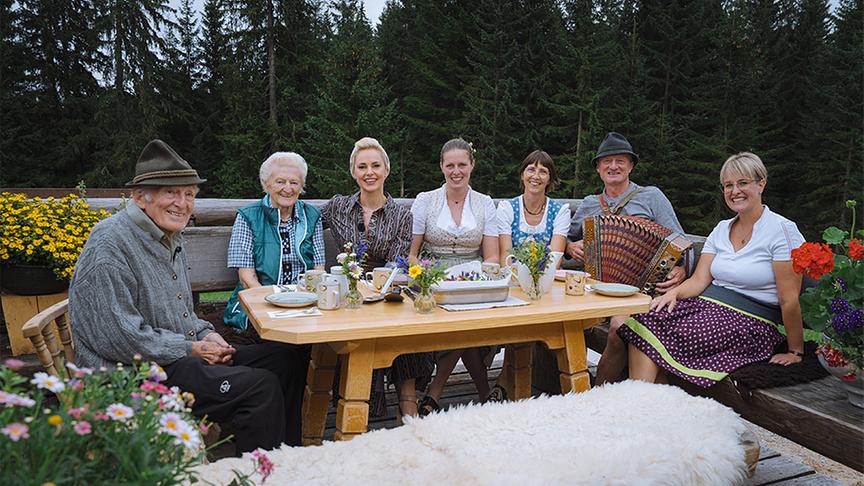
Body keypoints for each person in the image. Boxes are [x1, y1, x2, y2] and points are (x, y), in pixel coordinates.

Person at [69, 140, 309, 452]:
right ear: (140, 197)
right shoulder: (111, 245)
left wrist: (207, 335)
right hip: (131, 375)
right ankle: (256, 472)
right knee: (259, 388)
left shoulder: (168, 236)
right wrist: (191, 348)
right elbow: (119, 338)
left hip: (172, 356)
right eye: (171, 192)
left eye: (189, 194)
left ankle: (286, 460)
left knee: (284, 357)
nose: (182, 203)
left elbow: (182, 313)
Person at [619, 152, 806, 386]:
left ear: (761, 184)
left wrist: (795, 351)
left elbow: (788, 299)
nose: (734, 191)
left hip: (750, 322)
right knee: (646, 318)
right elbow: (699, 280)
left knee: (658, 330)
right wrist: (672, 294)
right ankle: (645, 404)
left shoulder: (782, 230)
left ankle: (641, 408)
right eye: (728, 185)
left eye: (743, 183)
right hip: (709, 310)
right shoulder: (721, 229)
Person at [320, 137, 433, 418]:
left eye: (375, 166)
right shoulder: (338, 207)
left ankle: (407, 404)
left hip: (388, 289)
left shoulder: (401, 216)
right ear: (353, 172)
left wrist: (376, 290)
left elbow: (397, 262)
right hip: (349, 295)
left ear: (386, 170)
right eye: (362, 167)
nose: (369, 172)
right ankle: (360, 406)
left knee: (407, 323)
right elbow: (304, 223)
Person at [566, 132, 687, 384]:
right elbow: (564, 237)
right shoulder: (590, 204)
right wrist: (570, 247)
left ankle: (597, 393)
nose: (613, 166)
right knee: (562, 323)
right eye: (607, 161)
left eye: (620, 160)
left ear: (631, 166)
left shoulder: (651, 196)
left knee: (619, 327)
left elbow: (680, 240)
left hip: (642, 290)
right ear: (598, 168)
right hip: (596, 289)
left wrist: (683, 268)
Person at [409, 138, 499, 414]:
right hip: (432, 277)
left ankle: (434, 391)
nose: (456, 171)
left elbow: (492, 256)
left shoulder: (485, 204)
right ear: (441, 167)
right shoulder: (425, 200)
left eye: (462, 164)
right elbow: (411, 254)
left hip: (472, 278)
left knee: (466, 319)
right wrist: (425, 277)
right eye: (450, 165)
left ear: (472, 165)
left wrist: (478, 279)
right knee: (462, 325)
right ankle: (485, 393)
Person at [224, 152, 326, 333]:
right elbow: (247, 278)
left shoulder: (312, 216)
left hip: (305, 304)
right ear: (267, 184)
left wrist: (305, 301)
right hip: (261, 304)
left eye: (294, 182)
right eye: (280, 181)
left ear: (301, 186)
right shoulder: (248, 216)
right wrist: (275, 304)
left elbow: (318, 269)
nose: (288, 188)